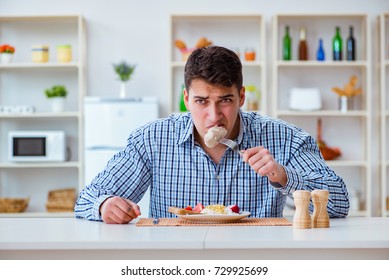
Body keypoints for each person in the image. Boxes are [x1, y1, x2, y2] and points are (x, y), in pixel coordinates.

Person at [75, 46, 349, 224]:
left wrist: (284, 176)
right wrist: (105, 205)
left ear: (242, 96)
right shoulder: (152, 139)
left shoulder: (285, 137)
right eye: (201, 101)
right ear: (186, 98)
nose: (214, 116)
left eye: (225, 100)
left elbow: (339, 205)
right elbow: (88, 198)